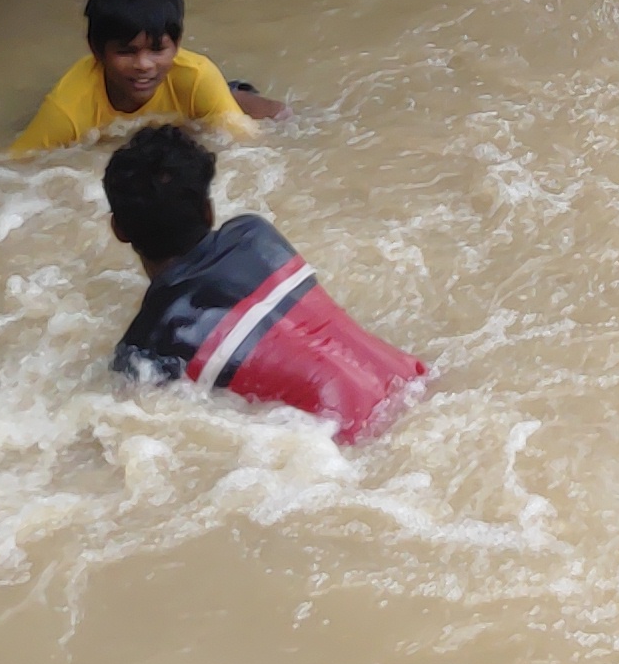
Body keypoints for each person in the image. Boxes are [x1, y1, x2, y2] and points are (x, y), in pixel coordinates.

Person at [103, 124, 426, 442]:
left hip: (347, 438)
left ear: (119, 230)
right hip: (414, 383)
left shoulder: (145, 346)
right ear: (208, 211)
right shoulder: (255, 236)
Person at [9, 0, 286, 153]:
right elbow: (14, 165)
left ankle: (232, 95)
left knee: (278, 114)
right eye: (127, 52)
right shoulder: (67, 107)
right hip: (134, 113)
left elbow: (250, 147)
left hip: (191, 97)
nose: (144, 64)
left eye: (157, 50)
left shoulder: (197, 75)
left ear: (176, 46)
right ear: (97, 51)